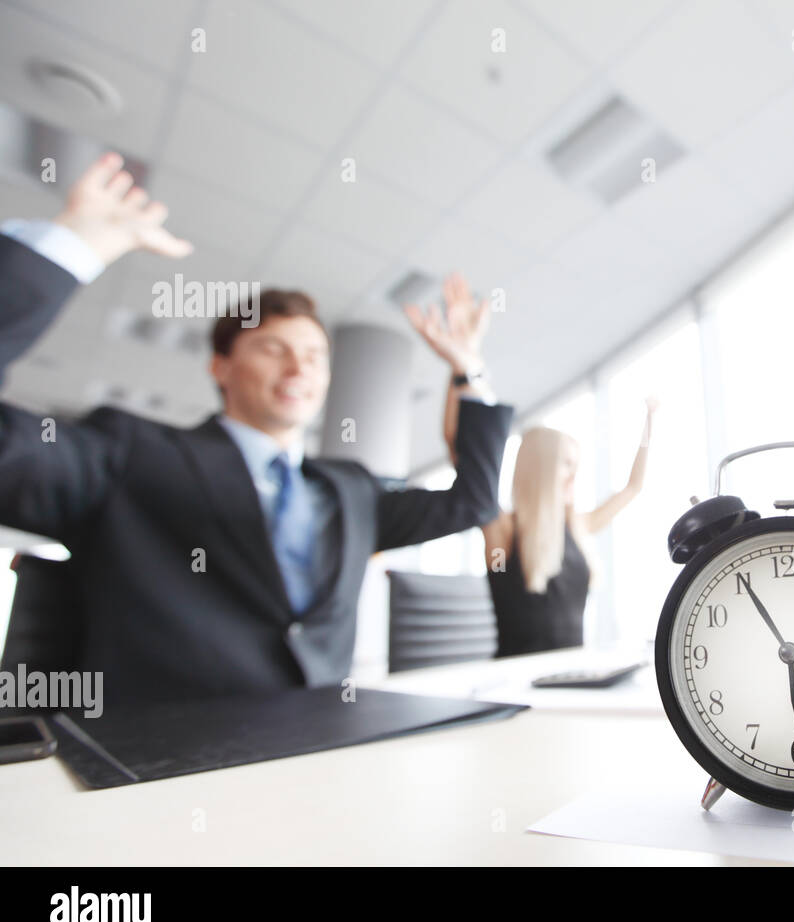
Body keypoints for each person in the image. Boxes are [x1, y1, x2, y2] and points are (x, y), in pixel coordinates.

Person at [0, 153, 513, 703]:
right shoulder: (130, 454)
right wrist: (66, 248)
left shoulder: (351, 490)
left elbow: (474, 502)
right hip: (155, 766)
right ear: (221, 366)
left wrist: (468, 370)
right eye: (274, 349)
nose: (299, 369)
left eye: (315, 356)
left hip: (313, 753)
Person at [408, 287, 657, 656]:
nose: (574, 477)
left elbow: (632, 488)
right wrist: (461, 364)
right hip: (516, 684)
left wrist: (650, 422)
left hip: (575, 676)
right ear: (539, 469)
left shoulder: (578, 526)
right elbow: (458, 445)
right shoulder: (502, 530)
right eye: (566, 466)